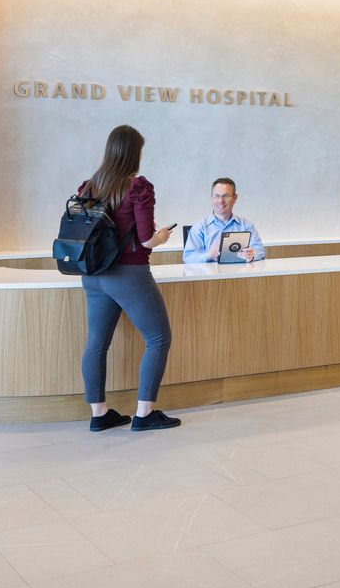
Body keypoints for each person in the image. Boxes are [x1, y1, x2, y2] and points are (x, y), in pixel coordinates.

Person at [77, 125, 182, 431]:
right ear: (134, 153)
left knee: (96, 343)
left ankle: (99, 414)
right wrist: (162, 236)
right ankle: (145, 414)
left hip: (93, 274)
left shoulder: (88, 186)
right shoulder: (137, 187)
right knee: (158, 338)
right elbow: (147, 238)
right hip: (128, 273)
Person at [182, 177, 267, 264]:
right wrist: (209, 255)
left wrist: (252, 255)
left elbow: (260, 251)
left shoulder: (246, 226)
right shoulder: (199, 228)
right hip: (210, 277)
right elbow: (188, 258)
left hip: (239, 275)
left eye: (225, 196)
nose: (221, 201)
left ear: (235, 198)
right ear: (211, 198)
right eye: (216, 196)